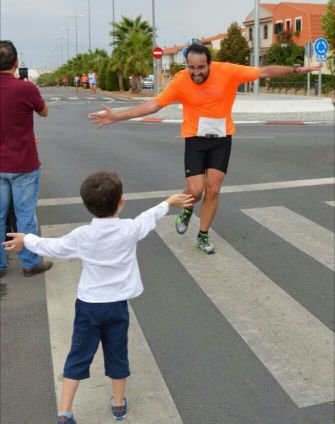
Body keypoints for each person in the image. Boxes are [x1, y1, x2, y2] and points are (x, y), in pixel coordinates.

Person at [89, 43, 323, 255]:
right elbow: (154, 105)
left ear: (209, 64)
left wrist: (295, 70)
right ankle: (187, 209)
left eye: (201, 67)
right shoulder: (181, 80)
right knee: (196, 190)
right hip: (195, 139)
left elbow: (264, 71)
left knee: (213, 189)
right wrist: (117, 117)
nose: (196, 72)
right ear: (186, 65)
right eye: (192, 67)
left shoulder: (227, 71)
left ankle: (202, 235)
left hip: (221, 139)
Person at [3, 170, 194, 423]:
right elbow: (149, 217)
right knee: (117, 354)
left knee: (78, 355)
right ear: (121, 202)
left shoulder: (82, 236)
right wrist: (169, 202)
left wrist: (26, 239)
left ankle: (64, 412)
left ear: (86, 205)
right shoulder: (129, 229)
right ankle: (118, 406)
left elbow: (54, 247)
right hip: (117, 307)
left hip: (89, 307)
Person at [0, 40, 53, 278]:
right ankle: (30, 263)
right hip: (23, 163)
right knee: (24, 215)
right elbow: (44, 111)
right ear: (16, 62)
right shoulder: (26, 89)